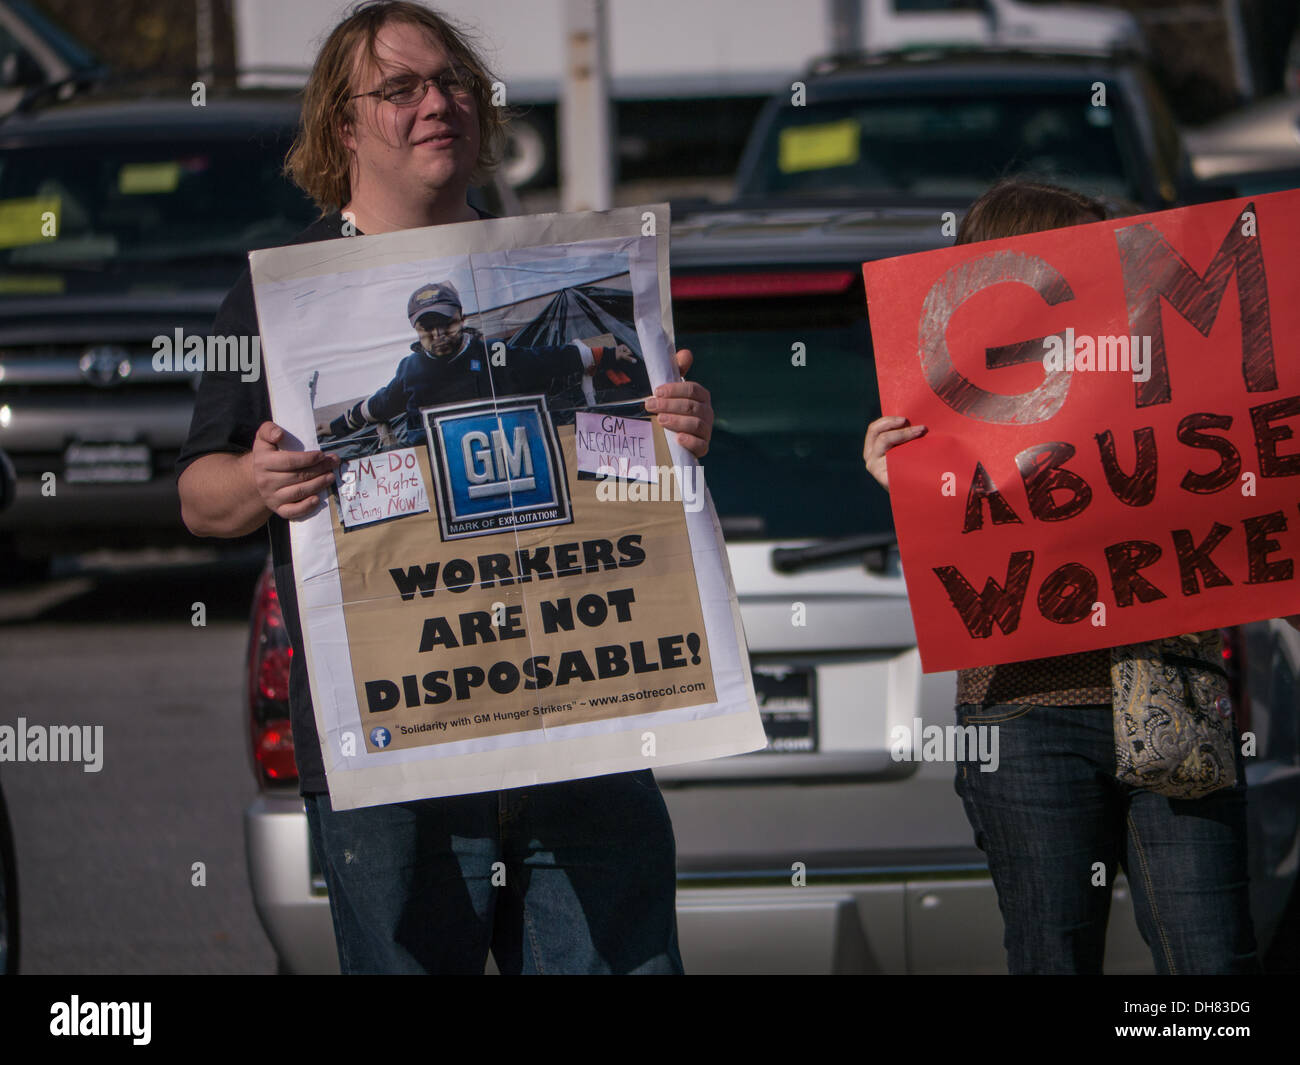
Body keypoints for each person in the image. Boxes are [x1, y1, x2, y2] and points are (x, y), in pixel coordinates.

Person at [177, 0, 713, 974]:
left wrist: (672, 425)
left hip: (578, 726)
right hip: (394, 744)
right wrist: (258, 478)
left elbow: (621, 454)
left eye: (454, 82)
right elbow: (199, 497)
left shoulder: (559, 266)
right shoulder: (277, 301)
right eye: (402, 89)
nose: (439, 104)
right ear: (343, 127)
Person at [863, 177, 1282, 975]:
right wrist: (908, 490)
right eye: (1091, 259)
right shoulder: (953, 405)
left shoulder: (1160, 368)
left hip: (1171, 698)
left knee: (1213, 965)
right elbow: (979, 539)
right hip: (1025, 718)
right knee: (1053, 956)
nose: (1116, 275)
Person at [321, 279, 640, 445]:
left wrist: (605, 354)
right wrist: (336, 426)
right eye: (427, 328)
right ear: (416, 331)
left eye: (446, 323)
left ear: (462, 319)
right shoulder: (411, 370)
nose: (438, 334)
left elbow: (544, 360)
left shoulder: (493, 354)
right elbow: (378, 405)